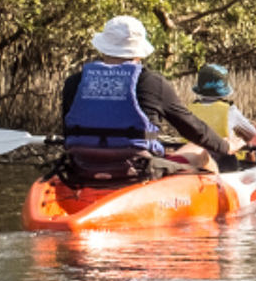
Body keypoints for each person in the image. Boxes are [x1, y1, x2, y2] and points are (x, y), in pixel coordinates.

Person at [59, 16, 242, 183]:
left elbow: (69, 131)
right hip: (138, 171)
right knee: (200, 152)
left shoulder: (74, 82)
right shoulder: (151, 83)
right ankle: (225, 201)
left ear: (103, 48)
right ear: (138, 52)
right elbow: (192, 128)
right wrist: (225, 146)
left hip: (82, 167)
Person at [186, 63, 256, 146]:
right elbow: (252, 133)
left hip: (191, 157)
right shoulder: (230, 110)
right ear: (224, 91)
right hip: (223, 157)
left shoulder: (189, 110)